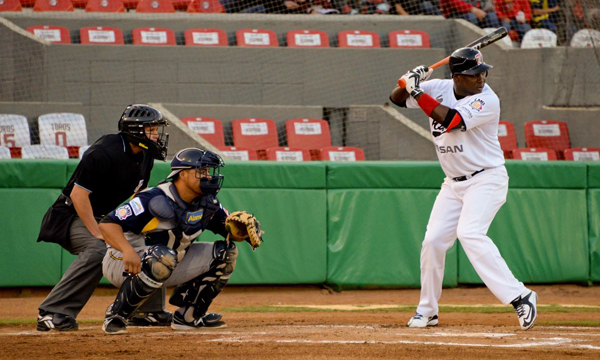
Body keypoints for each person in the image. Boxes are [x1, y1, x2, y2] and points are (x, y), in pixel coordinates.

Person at [389, 48, 538, 330]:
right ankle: (427, 310)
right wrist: (409, 80)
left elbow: (452, 121)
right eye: (472, 74)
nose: (480, 78)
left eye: (482, 72)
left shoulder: (487, 99)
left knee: (469, 232)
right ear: (456, 76)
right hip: (453, 183)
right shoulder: (439, 87)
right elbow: (396, 99)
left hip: (487, 179)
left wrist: (417, 91)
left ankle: (520, 295)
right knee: (432, 242)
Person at [99, 148, 263, 334]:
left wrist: (239, 233)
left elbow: (230, 233)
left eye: (209, 171)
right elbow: (107, 225)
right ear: (183, 174)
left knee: (226, 253)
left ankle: (189, 317)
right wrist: (127, 250)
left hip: (169, 261)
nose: (209, 176)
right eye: (202, 171)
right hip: (123, 261)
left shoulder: (208, 202)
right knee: (163, 257)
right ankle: (117, 315)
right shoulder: (153, 198)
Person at [36, 104, 170, 331]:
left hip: (107, 216)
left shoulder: (146, 155)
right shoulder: (103, 152)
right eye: (152, 129)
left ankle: (148, 310)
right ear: (136, 131)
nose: (157, 135)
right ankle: (52, 312)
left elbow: (136, 196)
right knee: (100, 249)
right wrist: (98, 232)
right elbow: (78, 196)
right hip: (70, 215)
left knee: (152, 240)